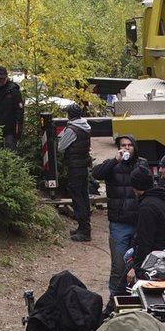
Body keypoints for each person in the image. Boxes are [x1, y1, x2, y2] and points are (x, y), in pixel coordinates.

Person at [91, 135, 148, 296]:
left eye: (130, 145)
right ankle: (114, 298)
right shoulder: (112, 165)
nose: (126, 148)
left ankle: (136, 296)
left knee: (138, 263)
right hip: (119, 222)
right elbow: (96, 174)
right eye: (123, 145)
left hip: (138, 220)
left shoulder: (141, 163)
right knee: (118, 265)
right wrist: (115, 161)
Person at [123, 165, 165, 287]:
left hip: (153, 258)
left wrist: (136, 268)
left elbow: (145, 240)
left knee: (123, 290)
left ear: (136, 187)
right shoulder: (164, 198)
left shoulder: (147, 207)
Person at [58, 103, 92, 243]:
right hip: (83, 165)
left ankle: (84, 231)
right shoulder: (85, 126)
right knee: (83, 196)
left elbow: (61, 147)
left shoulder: (72, 129)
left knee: (78, 198)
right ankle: (83, 228)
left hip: (75, 167)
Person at [0, 67, 24, 151]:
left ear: (6, 77)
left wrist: (18, 131)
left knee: (10, 150)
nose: (1, 81)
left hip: (10, 129)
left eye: (3, 78)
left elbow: (19, 111)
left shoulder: (13, 90)